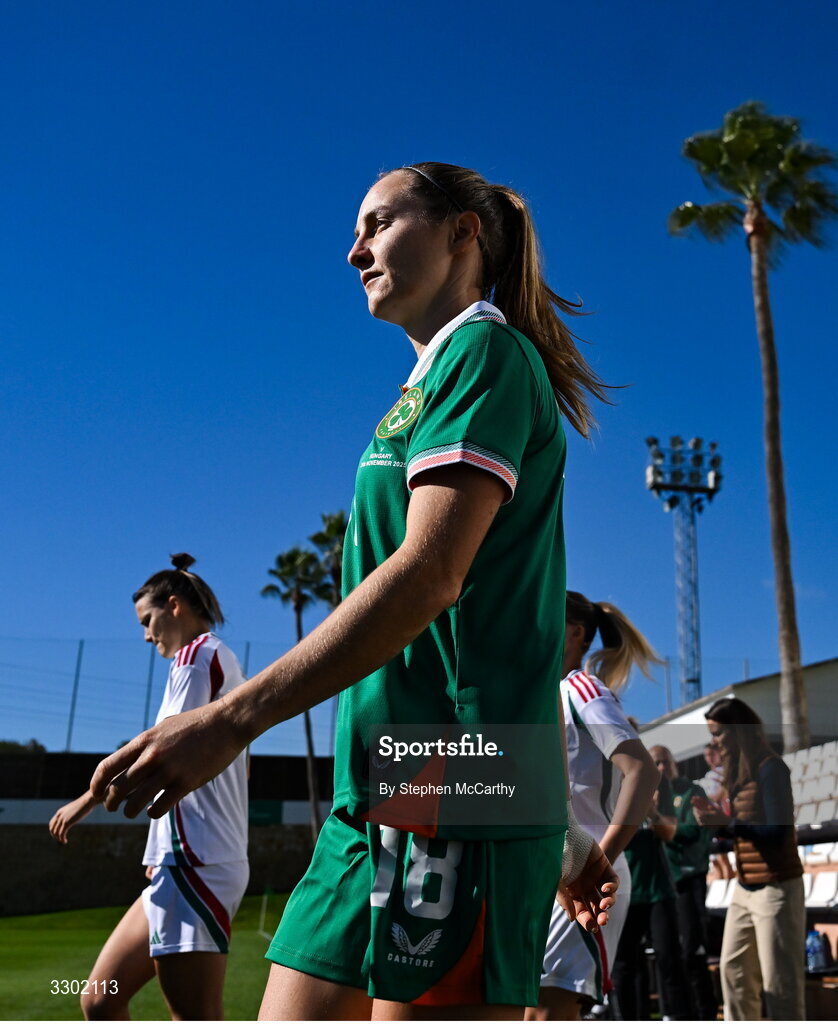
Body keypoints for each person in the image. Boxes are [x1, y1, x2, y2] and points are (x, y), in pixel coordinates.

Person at [89, 162, 620, 1020]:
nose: (353, 250)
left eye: (378, 223)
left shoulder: (486, 351)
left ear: (461, 234)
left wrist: (230, 719)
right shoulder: (420, 390)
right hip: (382, 783)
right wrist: (563, 834)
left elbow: (431, 577)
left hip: (460, 785)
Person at [49, 554, 249, 1020]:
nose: (145, 634)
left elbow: (158, 755)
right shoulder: (216, 661)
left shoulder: (197, 655)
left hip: (196, 862)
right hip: (182, 860)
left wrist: (85, 801)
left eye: (147, 620)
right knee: (100, 999)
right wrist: (161, 848)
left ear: (174, 605)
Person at [528, 593, 660, 1021]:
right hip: (555, 875)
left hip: (585, 874)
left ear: (576, 633)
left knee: (548, 1011)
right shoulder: (545, 696)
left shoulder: (580, 688)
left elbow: (641, 769)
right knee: (530, 1010)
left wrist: (594, 861)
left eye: (543, 614)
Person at [693, 696, 805, 1021]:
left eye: (719, 733)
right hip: (745, 888)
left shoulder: (771, 769)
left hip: (777, 887)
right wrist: (717, 824)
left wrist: (725, 823)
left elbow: (777, 833)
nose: (715, 741)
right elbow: (746, 831)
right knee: (733, 973)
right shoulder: (741, 774)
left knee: (780, 986)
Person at [610, 759, 691, 1020]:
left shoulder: (654, 784)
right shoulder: (607, 786)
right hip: (623, 889)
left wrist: (651, 812)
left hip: (658, 890)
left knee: (670, 960)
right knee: (625, 966)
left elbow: (669, 833)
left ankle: (678, 1016)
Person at [652, 745, 717, 1020]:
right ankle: (675, 1012)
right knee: (667, 954)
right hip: (664, 885)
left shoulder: (691, 792)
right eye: (656, 763)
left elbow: (692, 831)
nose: (662, 768)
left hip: (688, 879)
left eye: (666, 761)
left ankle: (704, 1012)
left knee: (693, 950)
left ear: (674, 762)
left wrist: (662, 825)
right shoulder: (651, 796)